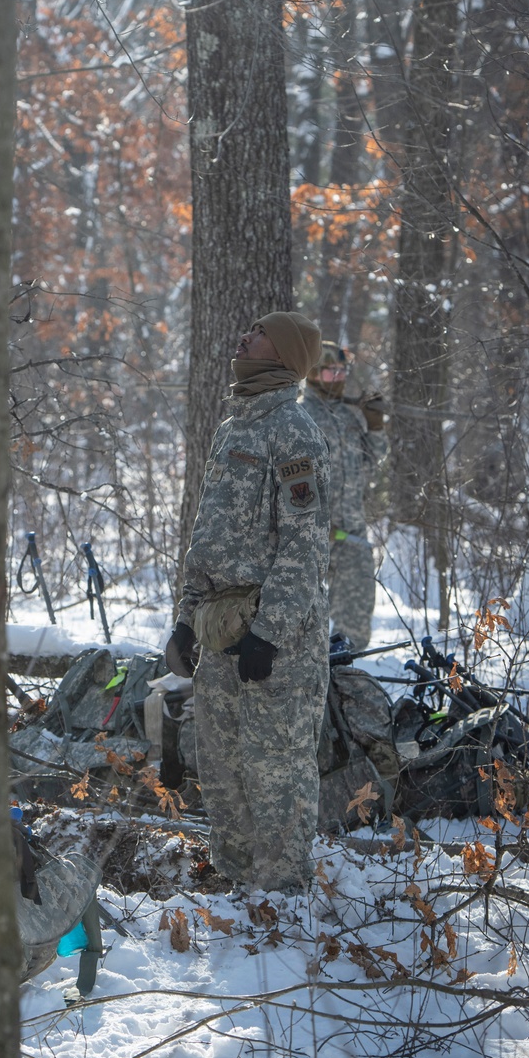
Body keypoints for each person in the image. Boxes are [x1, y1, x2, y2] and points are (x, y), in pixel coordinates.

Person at [166, 312, 330, 893]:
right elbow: (206, 538)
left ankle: (281, 900)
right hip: (220, 630)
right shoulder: (232, 428)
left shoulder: (295, 431)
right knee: (222, 766)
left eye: (260, 331)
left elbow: (306, 545)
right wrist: (186, 621)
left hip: (276, 640)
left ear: (283, 353)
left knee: (276, 769)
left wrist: (270, 633)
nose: (244, 335)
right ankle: (237, 892)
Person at [303, 341, 387, 652]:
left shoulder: (348, 418)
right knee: (300, 618)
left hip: (350, 532)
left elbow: (368, 467)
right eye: (330, 371)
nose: (338, 378)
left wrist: (375, 427)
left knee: (356, 617)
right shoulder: (300, 417)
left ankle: (344, 667)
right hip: (310, 535)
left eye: (342, 371)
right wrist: (312, 522)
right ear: (313, 373)